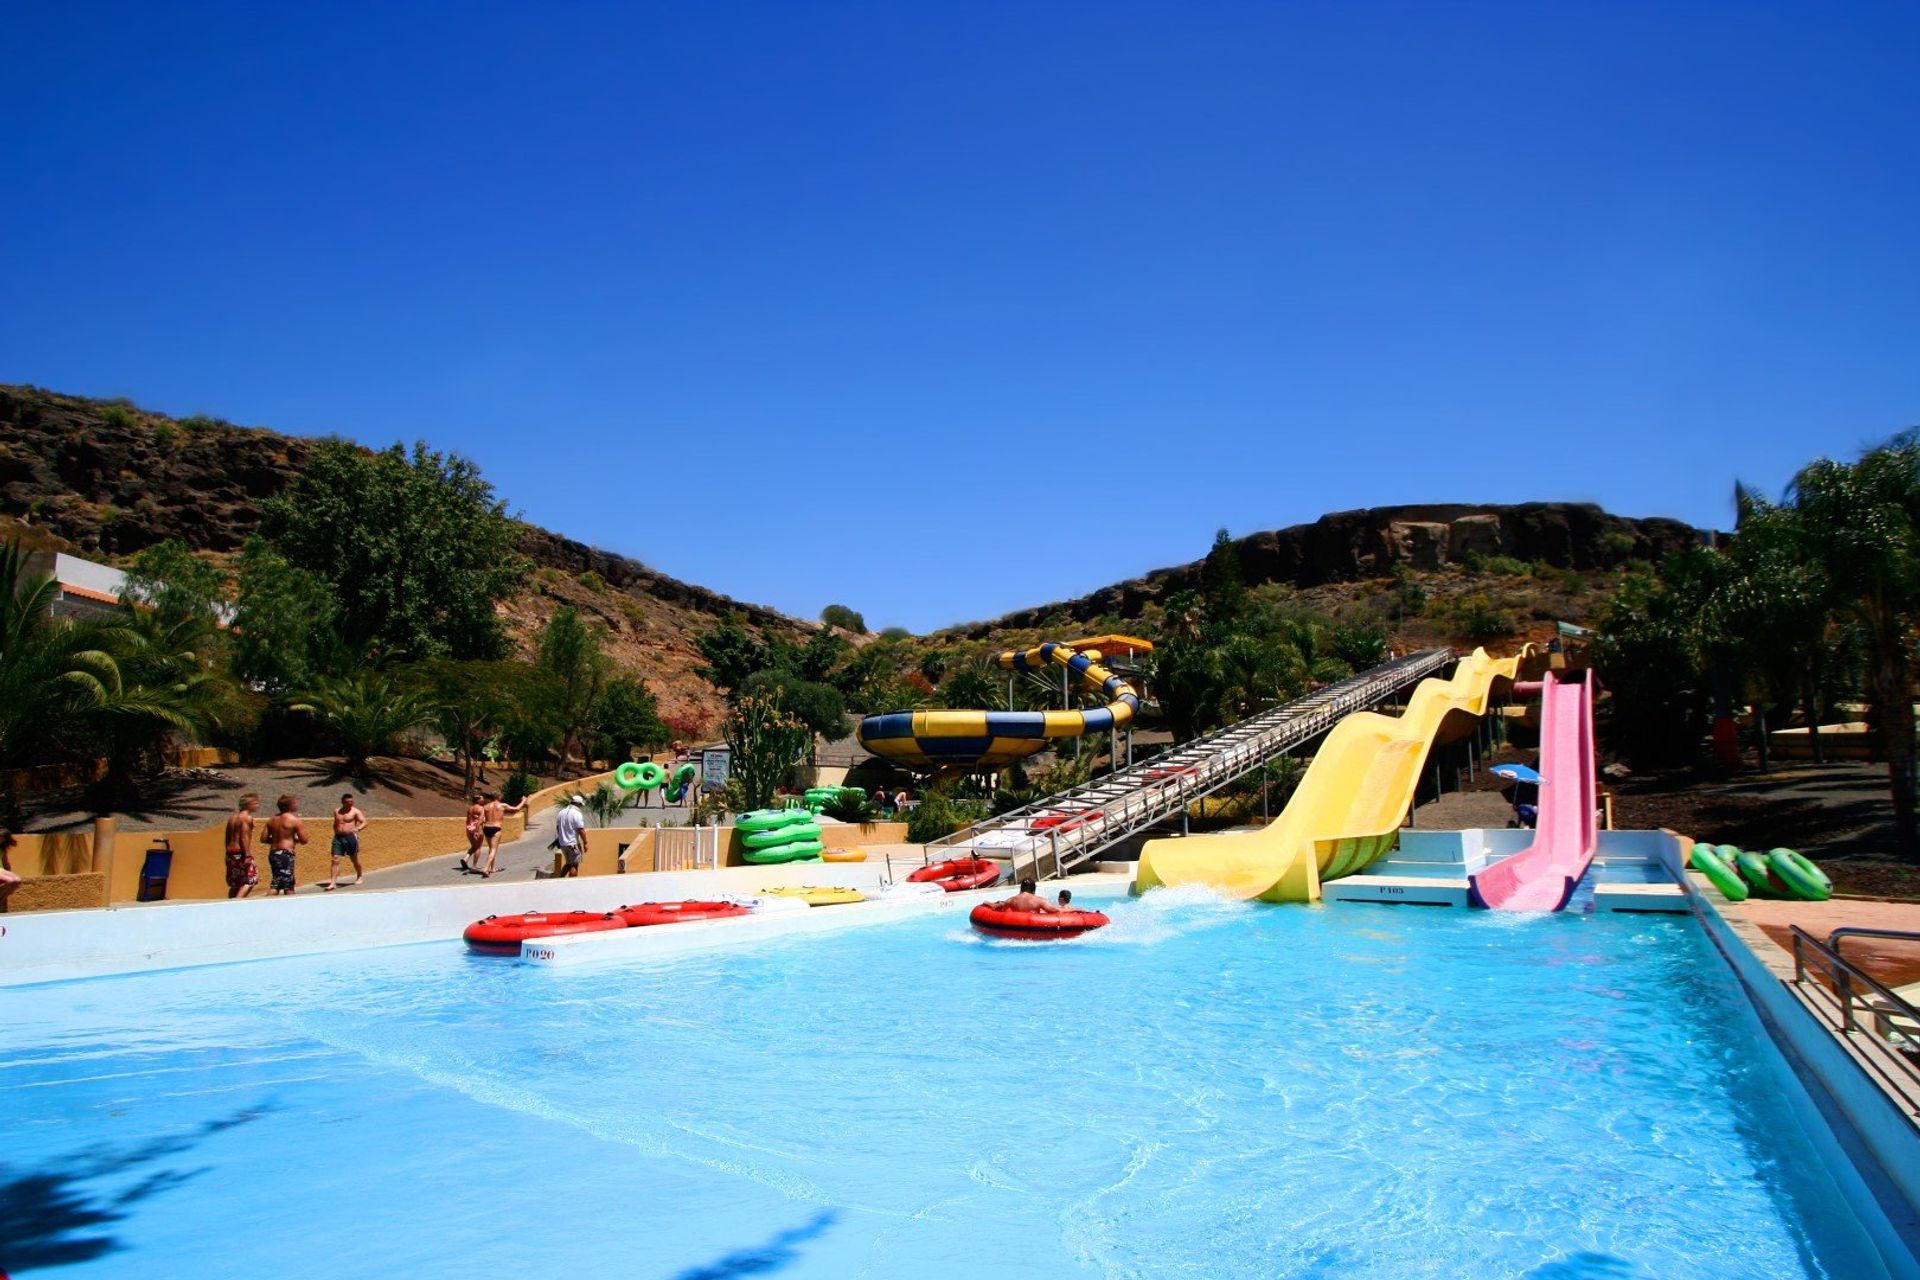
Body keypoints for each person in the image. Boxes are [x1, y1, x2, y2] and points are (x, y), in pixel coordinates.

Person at [261, 794, 306, 896]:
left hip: (273, 853)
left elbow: (263, 839)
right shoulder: (295, 820)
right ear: (289, 806)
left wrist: (280, 839)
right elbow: (304, 840)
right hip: (286, 854)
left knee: (277, 882)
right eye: (294, 803)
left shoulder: (271, 820)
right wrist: (293, 839)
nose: (297, 805)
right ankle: (291, 908)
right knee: (288, 886)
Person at [478, 789, 528, 878]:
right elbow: (516, 809)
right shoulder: (502, 805)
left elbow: (481, 819)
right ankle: (486, 868)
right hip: (496, 828)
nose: (502, 797)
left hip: (486, 828)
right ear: (498, 796)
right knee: (494, 850)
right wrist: (523, 801)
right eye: (500, 795)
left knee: (491, 849)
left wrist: (477, 830)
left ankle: (492, 868)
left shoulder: (485, 806)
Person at [326, 793, 368, 889]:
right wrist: (336, 832)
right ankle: (333, 883)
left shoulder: (355, 811)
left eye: (351, 802)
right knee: (335, 858)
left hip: (350, 837)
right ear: (343, 802)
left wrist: (358, 829)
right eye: (348, 802)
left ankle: (360, 876)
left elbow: (364, 822)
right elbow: (335, 823)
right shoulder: (336, 811)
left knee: (354, 859)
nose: (350, 804)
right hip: (338, 838)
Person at [224, 794, 260, 899]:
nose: (257, 806)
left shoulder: (232, 818)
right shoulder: (246, 818)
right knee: (251, 879)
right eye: (255, 803)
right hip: (241, 852)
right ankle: (237, 903)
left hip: (231, 853)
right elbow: (244, 837)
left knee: (236, 883)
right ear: (248, 804)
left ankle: (230, 903)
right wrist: (247, 855)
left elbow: (227, 838)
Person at [552, 793, 589, 878]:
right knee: (574, 865)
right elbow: (581, 829)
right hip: (573, 844)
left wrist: (561, 838)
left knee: (568, 864)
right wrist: (585, 842)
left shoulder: (561, 812)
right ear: (578, 804)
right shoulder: (576, 813)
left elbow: (558, 828)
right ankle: (572, 883)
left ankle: (559, 880)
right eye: (580, 805)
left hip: (563, 844)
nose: (580, 807)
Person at [988, 878, 1058, 913]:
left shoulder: (1012, 900)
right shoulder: (1039, 900)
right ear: (1033, 890)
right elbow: (1054, 910)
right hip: (1034, 931)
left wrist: (988, 903)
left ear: (1021, 888)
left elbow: (1002, 910)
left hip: (1017, 930)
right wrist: (1067, 910)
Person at [458, 794, 485, 873]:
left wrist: (470, 828)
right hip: (477, 829)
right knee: (478, 847)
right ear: (478, 800)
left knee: (474, 846)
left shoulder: (470, 808)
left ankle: (465, 858)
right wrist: (476, 831)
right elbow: (480, 820)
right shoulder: (481, 808)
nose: (483, 800)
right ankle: (474, 865)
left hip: (469, 828)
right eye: (482, 799)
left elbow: (467, 820)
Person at [0, 829, 20, 912]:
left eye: (3, 838)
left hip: (1, 870)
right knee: (11, 880)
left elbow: (6, 863)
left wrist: (9, 872)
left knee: (17, 880)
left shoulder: (2, 849)